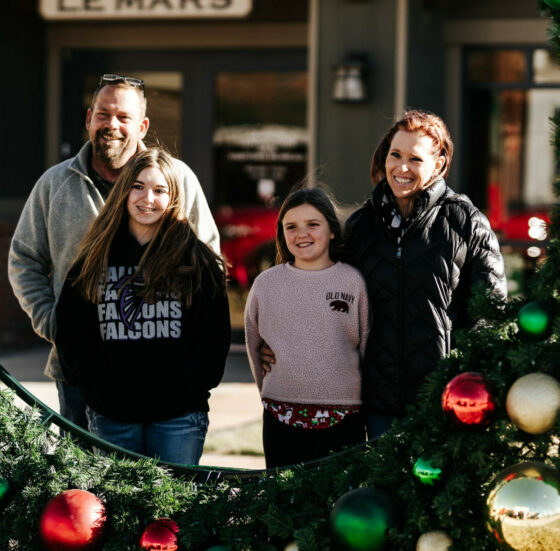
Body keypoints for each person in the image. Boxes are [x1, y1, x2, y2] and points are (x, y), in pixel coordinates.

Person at [260, 110, 507, 441]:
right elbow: (325, 294)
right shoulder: (361, 226)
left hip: (445, 405)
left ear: (438, 164)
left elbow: (490, 315)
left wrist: (469, 386)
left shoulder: (466, 222)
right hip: (377, 409)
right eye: (395, 155)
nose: (401, 168)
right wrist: (280, 341)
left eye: (415, 159)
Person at [8, 74, 220, 432]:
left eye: (123, 117)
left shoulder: (178, 179)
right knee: (86, 466)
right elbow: (24, 261)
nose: (112, 125)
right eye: (104, 114)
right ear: (89, 118)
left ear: (142, 126)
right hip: (79, 370)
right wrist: (55, 323)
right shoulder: (54, 185)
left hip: (166, 367)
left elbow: (209, 262)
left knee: (164, 469)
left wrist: (195, 347)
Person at [54, 148, 230, 465]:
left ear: (173, 197)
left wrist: (182, 390)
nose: (147, 198)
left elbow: (213, 341)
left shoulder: (196, 260)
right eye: (138, 186)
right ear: (124, 191)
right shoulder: (95, 257)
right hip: (112, 416)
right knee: (116, 499)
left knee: (173, 498)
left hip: (178, 418)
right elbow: (71, 332)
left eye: (159, 190)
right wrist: (100, 388)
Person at [244, 188, 369, 468]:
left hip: (344, 416)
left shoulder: (353, 282)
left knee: (338, 494)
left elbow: (366, 345)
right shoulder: (266, 284)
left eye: (313, 224)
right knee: (284, 494)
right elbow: (253, 344)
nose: (302, 234)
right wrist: (269, 391)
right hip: (280, 414)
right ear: (281, 233)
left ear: (332, 230)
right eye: (291, 226)